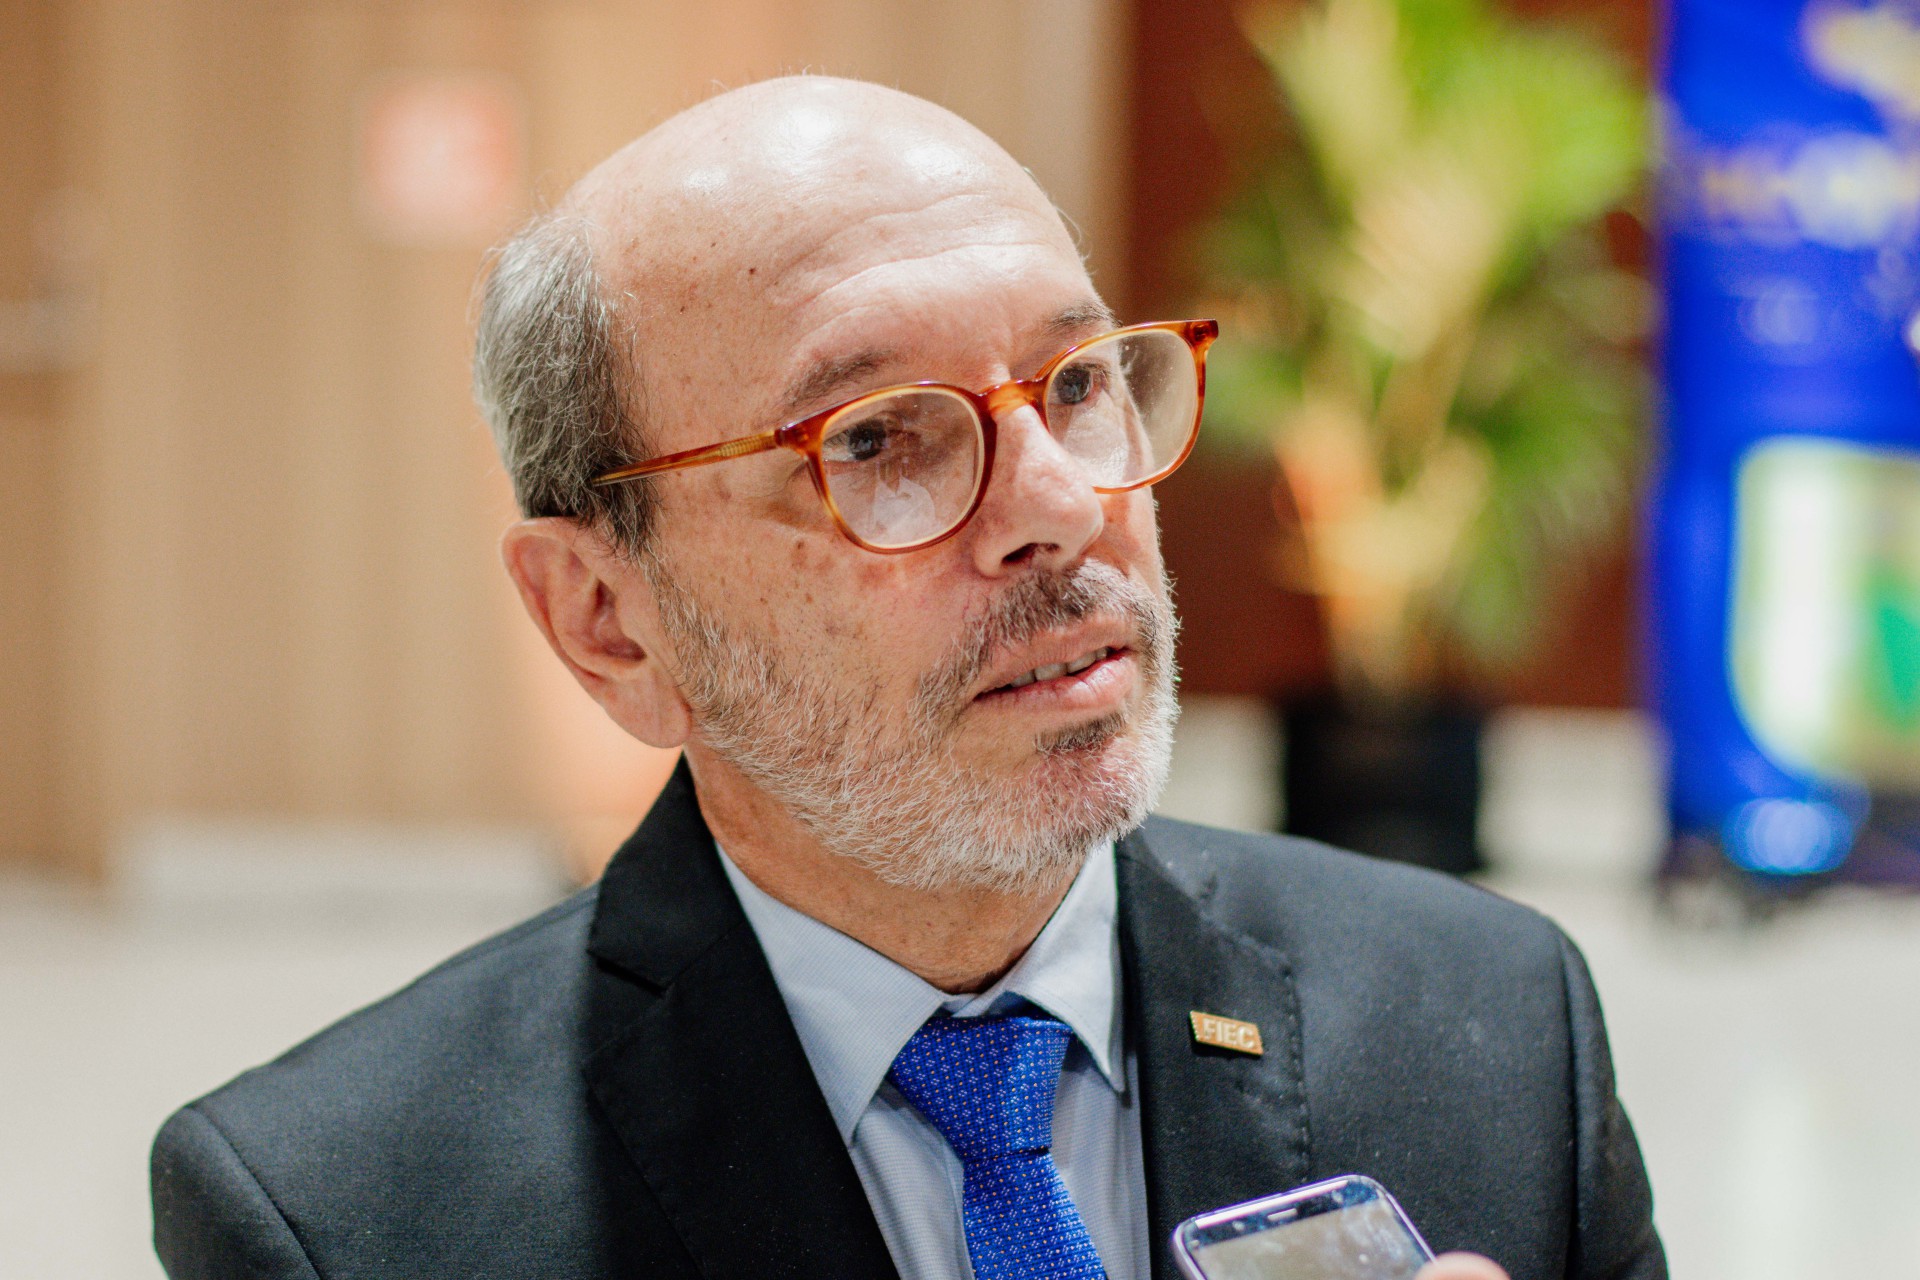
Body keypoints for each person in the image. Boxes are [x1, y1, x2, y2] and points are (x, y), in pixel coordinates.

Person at [149, 76, 1663, 1280]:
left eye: (1077, 384)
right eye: (875, 439)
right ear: (607, 621)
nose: (1061, 504)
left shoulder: (1489, 1028)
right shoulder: (347, 1214)